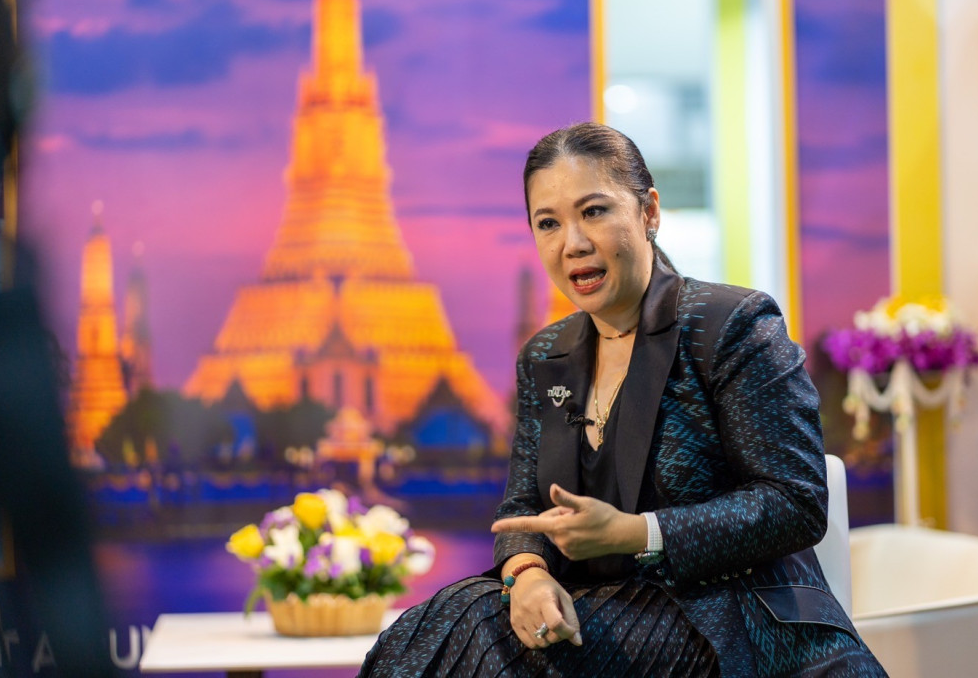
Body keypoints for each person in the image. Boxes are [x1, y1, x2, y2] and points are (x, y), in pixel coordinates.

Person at [359, 122, 886, 677]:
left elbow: (795, 503)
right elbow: (523, 508)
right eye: (548, 223)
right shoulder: (544, 354)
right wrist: (527, 576)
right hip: (600, 606)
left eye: (593, 212)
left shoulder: (733, 325)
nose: (573, 243)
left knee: (489, 643)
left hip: (727, 616)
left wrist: (637, 533)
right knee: (435, 623)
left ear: (648, 212)